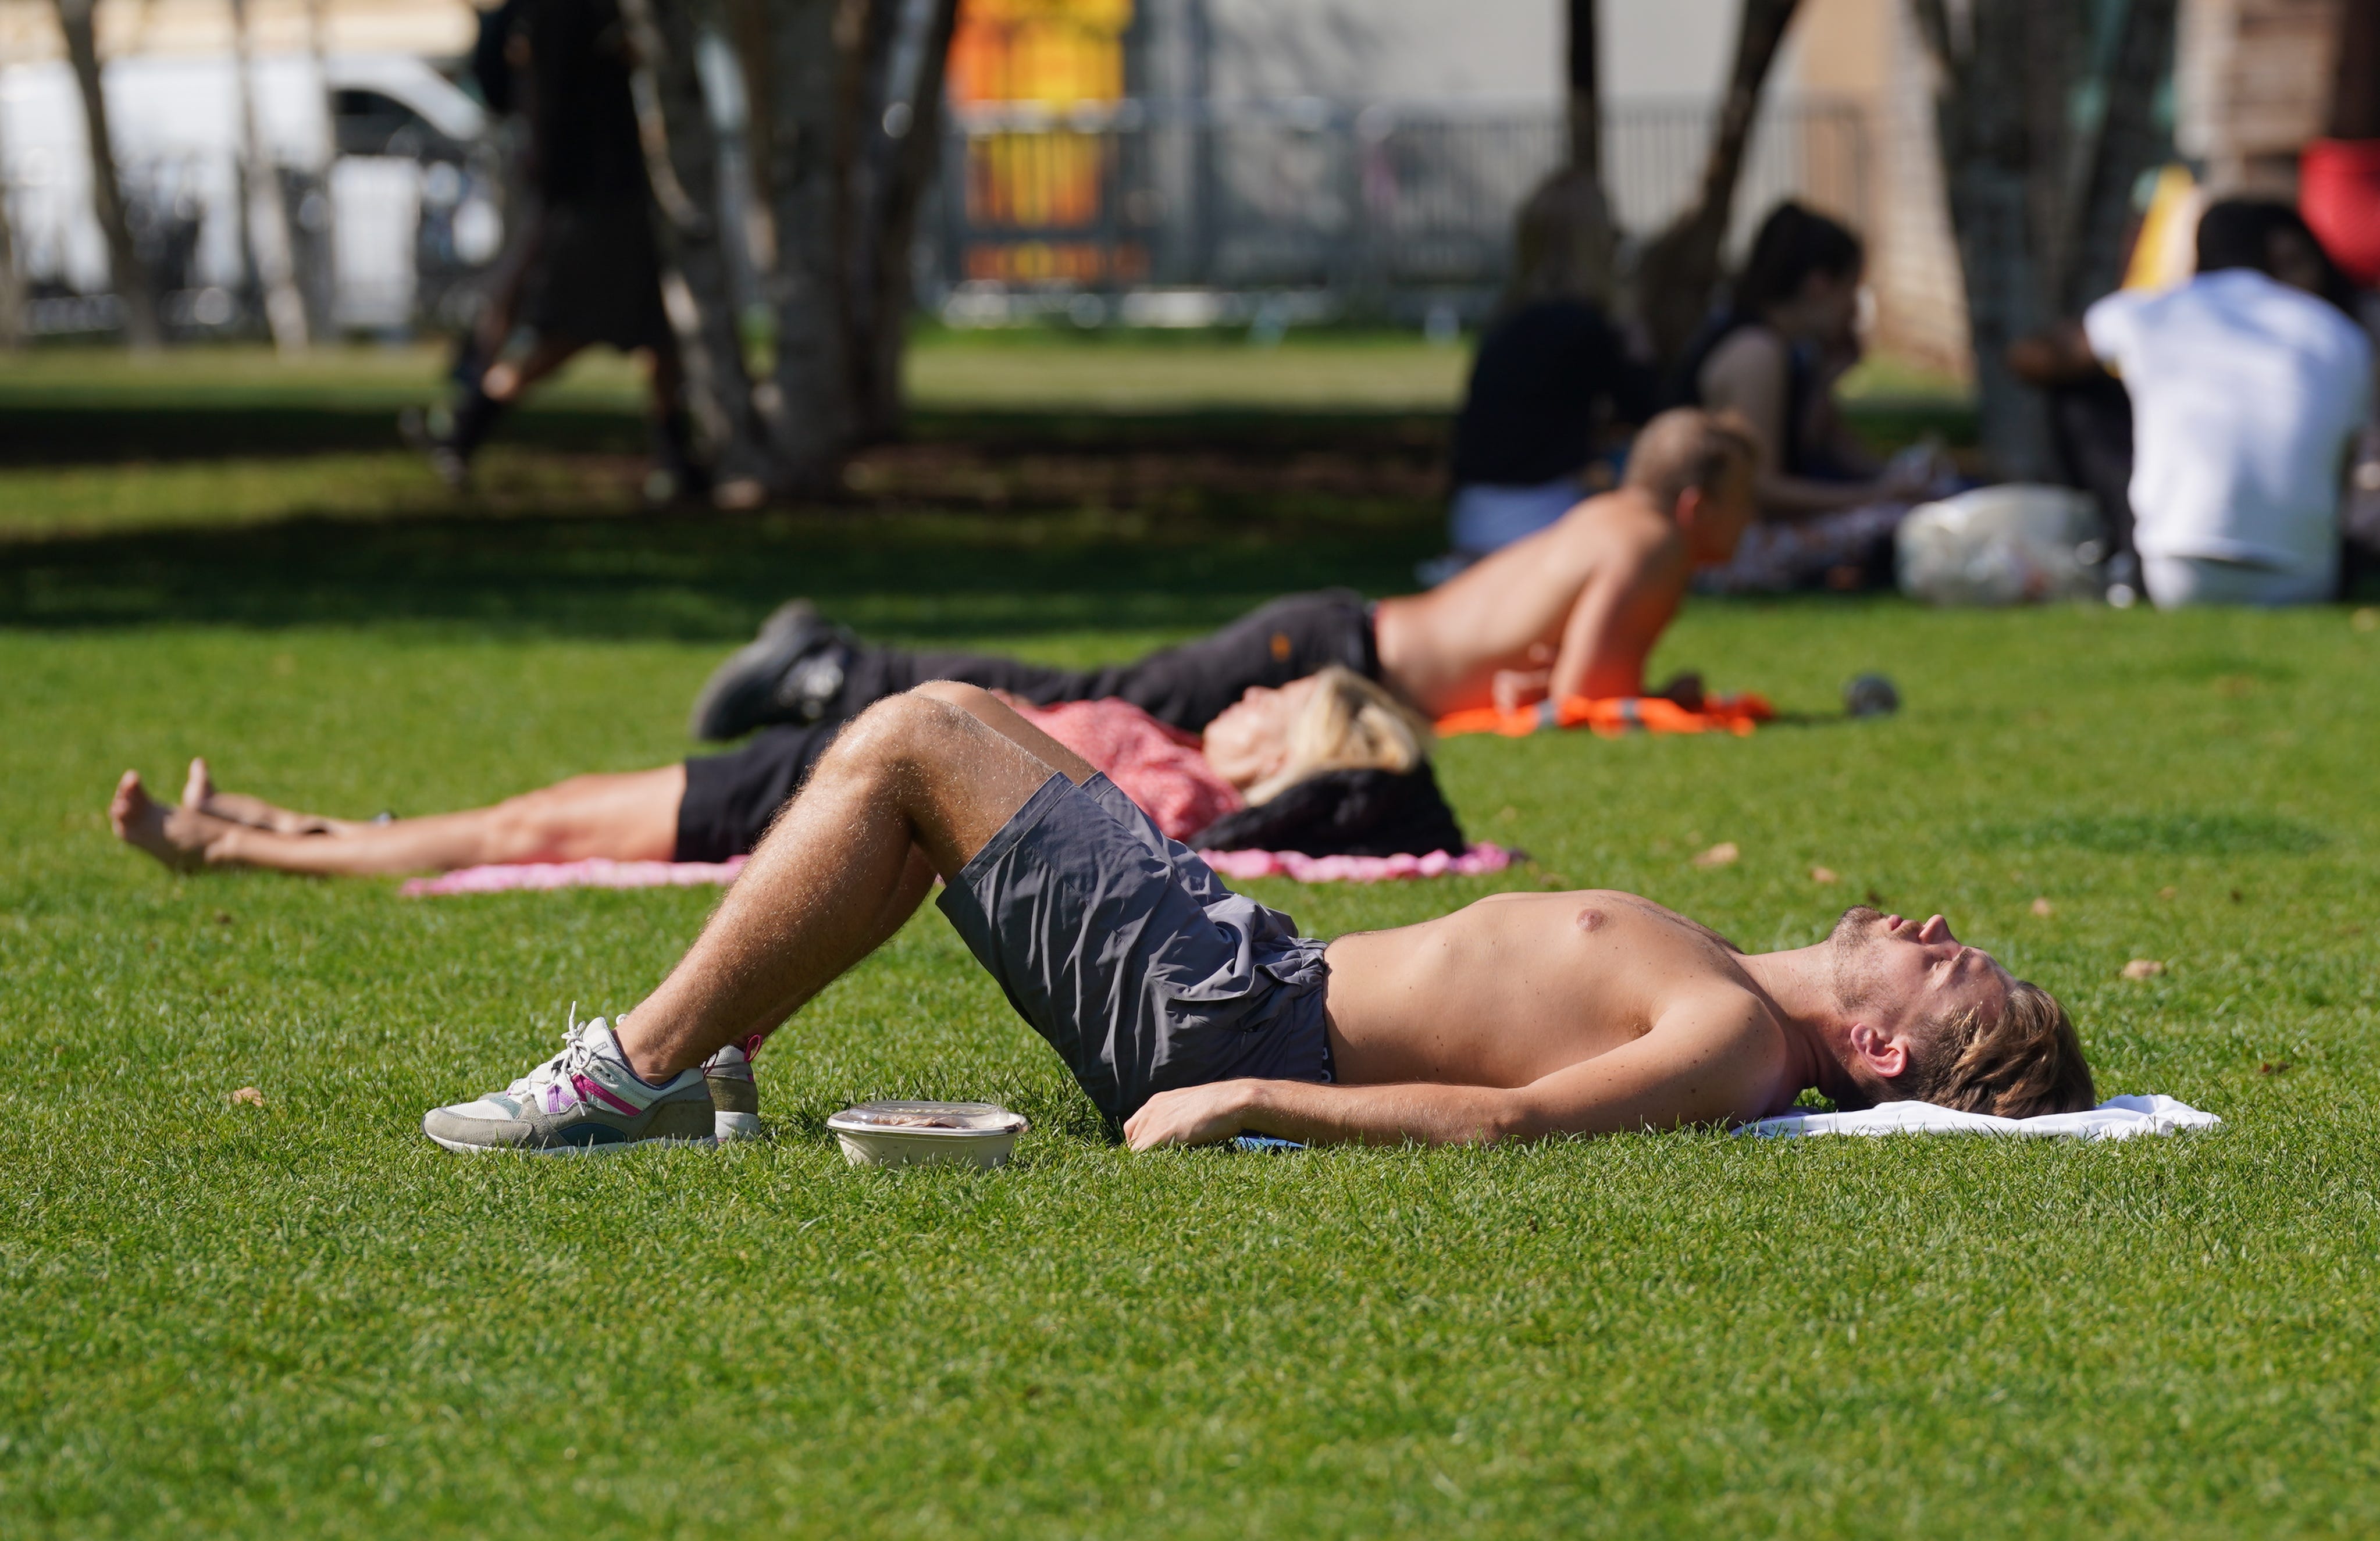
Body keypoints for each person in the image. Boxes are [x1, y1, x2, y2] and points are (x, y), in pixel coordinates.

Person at [405, 681, 2093, 1154]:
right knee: (952, 727)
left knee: (918, 741)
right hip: (1248, 960)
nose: (1934, 925)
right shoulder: (1724, 979)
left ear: (1875, 1047)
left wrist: (1255, 1099)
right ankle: (720, 1026)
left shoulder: (1731, 1037)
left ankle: (637, 1068)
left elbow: (1508, 1124)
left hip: (1236, 1022)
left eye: (1948, 967)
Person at [690, 408, 1760, 744]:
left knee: (1100, 701)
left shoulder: (1609, 515)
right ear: (1694, 501)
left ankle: (845, 672)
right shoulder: (1648, 545)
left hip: (1338, 644)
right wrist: (1683, 706)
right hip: (1333, 661)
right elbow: (1588, 694)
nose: (1751, 524)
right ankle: (840, 670)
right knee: (1096, 703)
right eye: (1746, 501)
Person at [105, 668, 1440, 877]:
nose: (1249, 692)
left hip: (835, 784)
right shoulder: (1179, 750)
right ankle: (302, 824)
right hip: (841, 748)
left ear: (1294, 748)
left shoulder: (1182, 798)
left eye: (1278, 699)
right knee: (543, 810)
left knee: (541, 821)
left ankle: (234, 848)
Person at [2009, 199, 2374, 608]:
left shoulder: (2153, 311)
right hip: (2306, 582)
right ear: (2278, 253)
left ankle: (2111, 555)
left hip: (2177, 577)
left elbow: (2034, 359)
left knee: (2080, 394)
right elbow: (2342, 471)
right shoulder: (2342, 336)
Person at [414, 0, 703, 501]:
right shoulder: (584, 15)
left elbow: (494, 83)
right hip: (594, 193)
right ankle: (465, 428)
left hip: (585, 188)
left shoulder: (537, 15)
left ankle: (680, 462)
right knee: (572, 328)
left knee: (657, 333)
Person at [1672, 202, 1945, 594]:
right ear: (1819, 284)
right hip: (1725, 551)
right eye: (1852, 288)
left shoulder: (1793, 353)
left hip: (1743, 539)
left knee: (1924, 499)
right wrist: (1877, 495)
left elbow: (1827, 453)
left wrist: (1826, 388)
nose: (1854, 308)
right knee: (1901, 519)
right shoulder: (1756, 353)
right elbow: (1762, 488)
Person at [1435, 176, 1660, 577]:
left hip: (1473, 513)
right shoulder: (1584, 325)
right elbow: (1650, 412)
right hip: (1532, 515)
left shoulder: (1508, 322)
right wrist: (1637, 343)